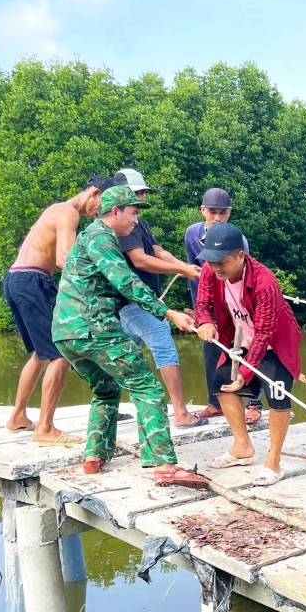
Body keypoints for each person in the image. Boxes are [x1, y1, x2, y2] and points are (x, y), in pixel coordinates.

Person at [51, 184, 211, 489]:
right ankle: (165, 466)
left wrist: (168, 308)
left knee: (107, 390)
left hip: (66, 334)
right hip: (94, 329)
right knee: (148, 390)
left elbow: (115, 289)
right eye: (133, 212)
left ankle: (93, 457)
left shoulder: (88, 239)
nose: (136, 220)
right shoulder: (101, 237)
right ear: (115, 212)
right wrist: (169, 314)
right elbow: (127, 282)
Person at [2, 175, 114, 445]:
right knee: (61, 350)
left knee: (41, 354)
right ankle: (45, 429)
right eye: (102, 206)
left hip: (17, 278)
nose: (100, 213)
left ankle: (18, 416)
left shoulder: (54, 209)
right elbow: (64, 258)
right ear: (94, 193)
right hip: (32, 280)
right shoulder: (68, 213)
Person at [194, 223, 302, 486]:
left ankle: (273, 462)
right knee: (222, 382)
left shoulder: (265, 281)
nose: (216, 267)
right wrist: (205, 322)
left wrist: (244, 372)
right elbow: (203, 303)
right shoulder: (212, 271)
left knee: (278, 396)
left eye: (222, 261)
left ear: (240, 256)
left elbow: (264, 333)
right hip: (240, 336)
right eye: (211, 261)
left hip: (274, 343)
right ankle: (242, 446)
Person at [112, 168, 204, 429]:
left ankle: (111, 407)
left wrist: (186, 268)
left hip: (133, 302)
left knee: (122, 353)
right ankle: (181, 413)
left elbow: (156, 250)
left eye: (142, 192)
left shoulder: (137, 221)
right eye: (138, 193)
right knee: (164, 346)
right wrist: (181, 269)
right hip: (135, 301)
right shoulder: (124, 225)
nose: (142, 198)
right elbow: (139, 259)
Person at [184, 187, 262, 426]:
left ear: (230, 213)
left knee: (244, 347)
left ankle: (253, 403)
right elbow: (191, 273)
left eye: (222, 213)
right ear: (202, 211)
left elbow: (242, 278)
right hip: (208, 300)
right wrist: (202, 314)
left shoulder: (237, 240)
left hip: (235, 302)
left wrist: (238, 316)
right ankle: (217, 403)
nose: (217, 218)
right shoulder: (191, 234)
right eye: (212, 212)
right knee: (210, 349)